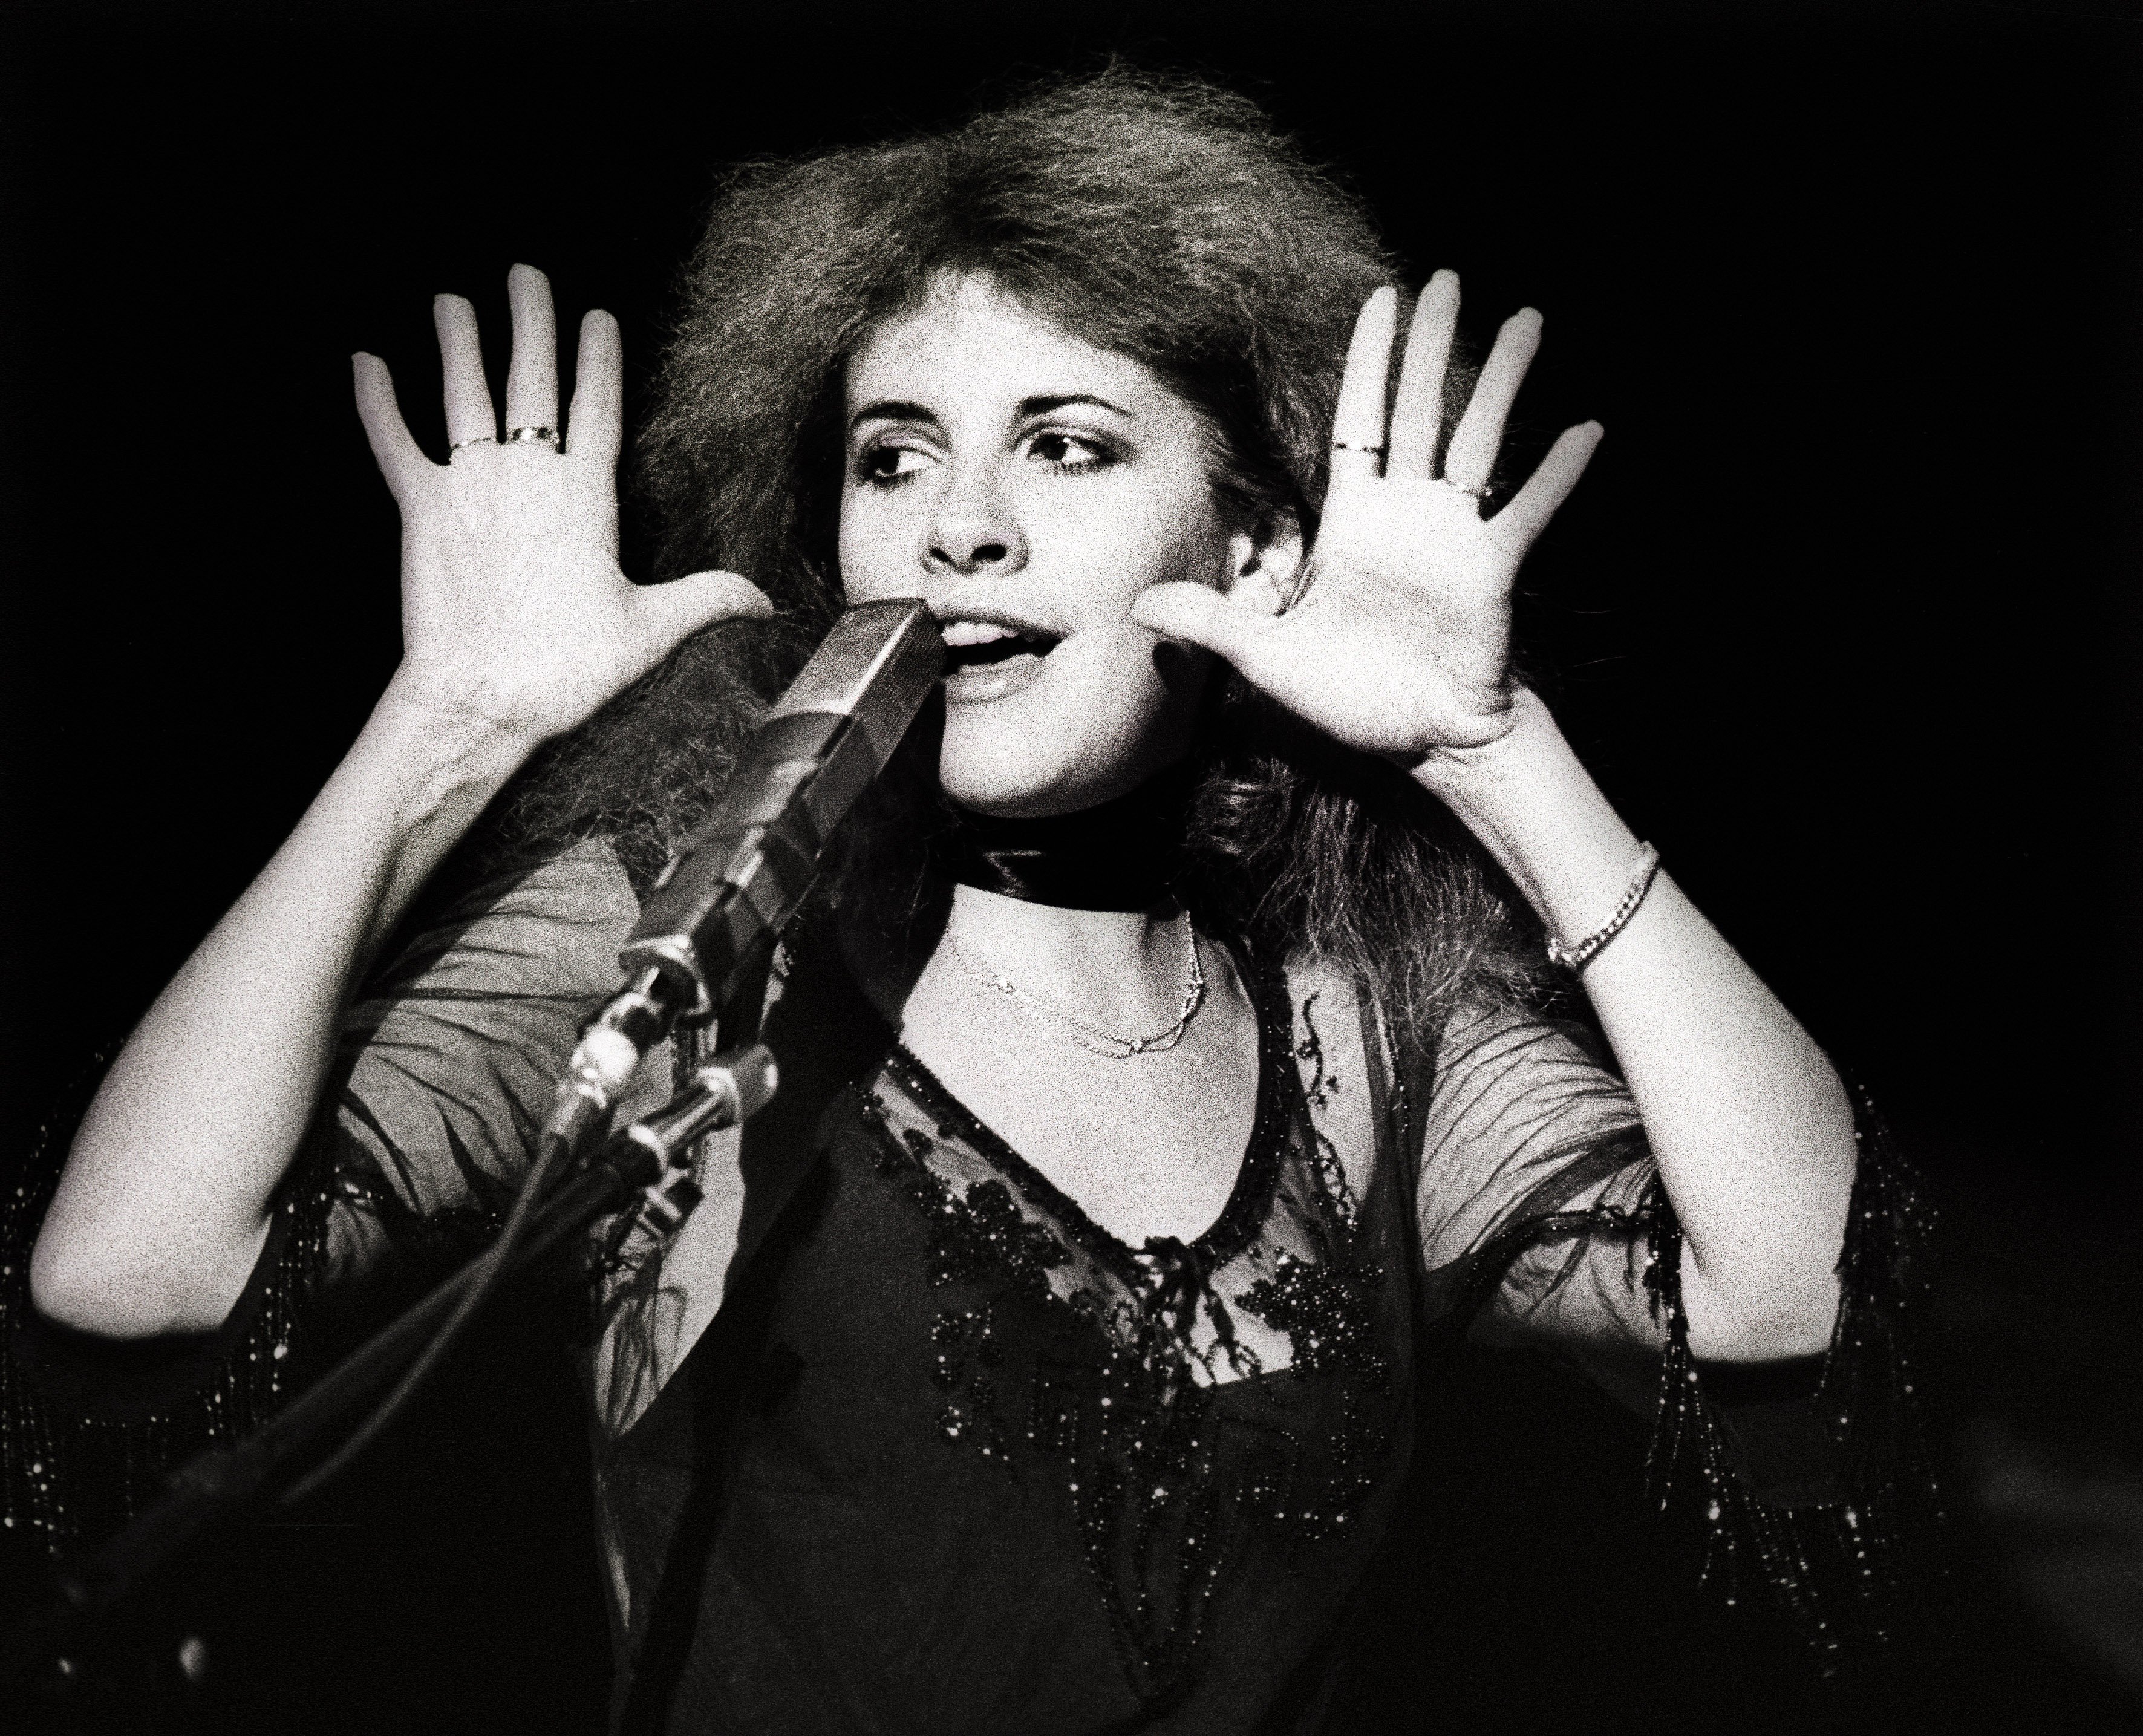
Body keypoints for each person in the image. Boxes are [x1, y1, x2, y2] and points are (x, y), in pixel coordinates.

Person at [6, 71, 1924, 1732]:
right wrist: (443, 732)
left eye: (1068, 447)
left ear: (1254, 542)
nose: (958, 526)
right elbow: (131, 1272)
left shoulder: (1365, 1027)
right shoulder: (695, 932)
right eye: (894, 455)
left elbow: (1806, 1296)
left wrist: (1495, 752)